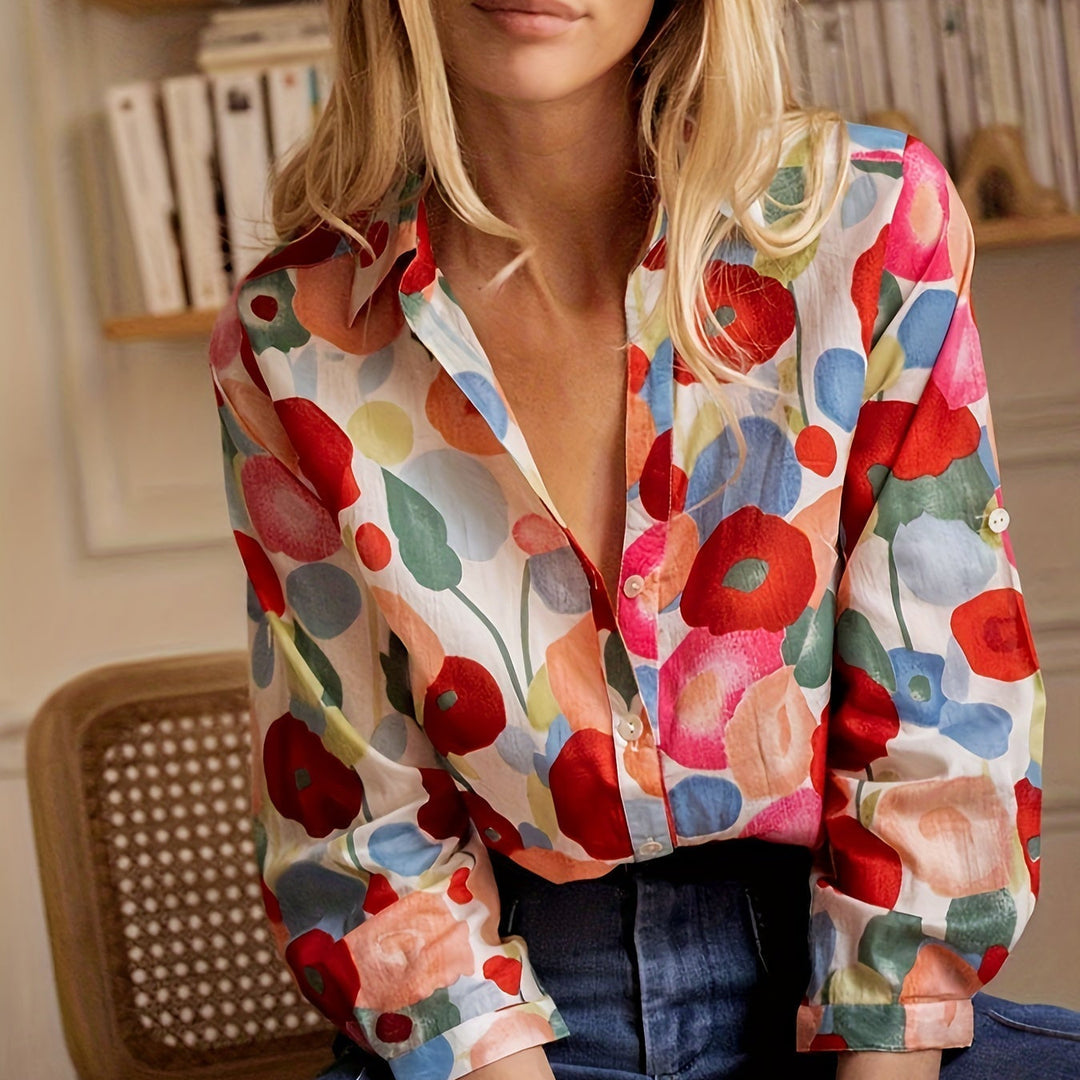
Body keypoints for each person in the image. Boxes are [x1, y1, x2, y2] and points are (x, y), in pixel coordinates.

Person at [207, 1, 1080, 1078]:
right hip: (502, 1022)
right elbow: (363, 832)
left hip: (854, 997)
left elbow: (941, 720)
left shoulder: (872, 225)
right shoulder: (294, 332)